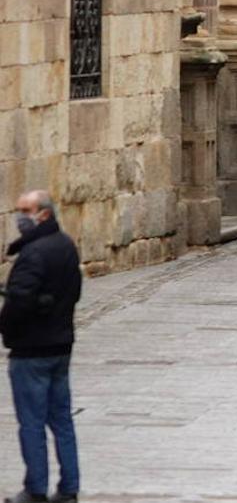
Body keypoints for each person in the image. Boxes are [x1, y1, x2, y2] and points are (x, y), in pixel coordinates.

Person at [1, 191, 82, 503]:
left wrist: (6, 329)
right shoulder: (65, 245)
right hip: (61, 345)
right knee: (61, 420)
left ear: (43, 214)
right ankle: (69, 486)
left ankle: (36, 488)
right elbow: (73, 291)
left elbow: (19, 303)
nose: (19, 217)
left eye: (25, 210)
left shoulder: (34, 253)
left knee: (32, 423)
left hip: (31, 350)